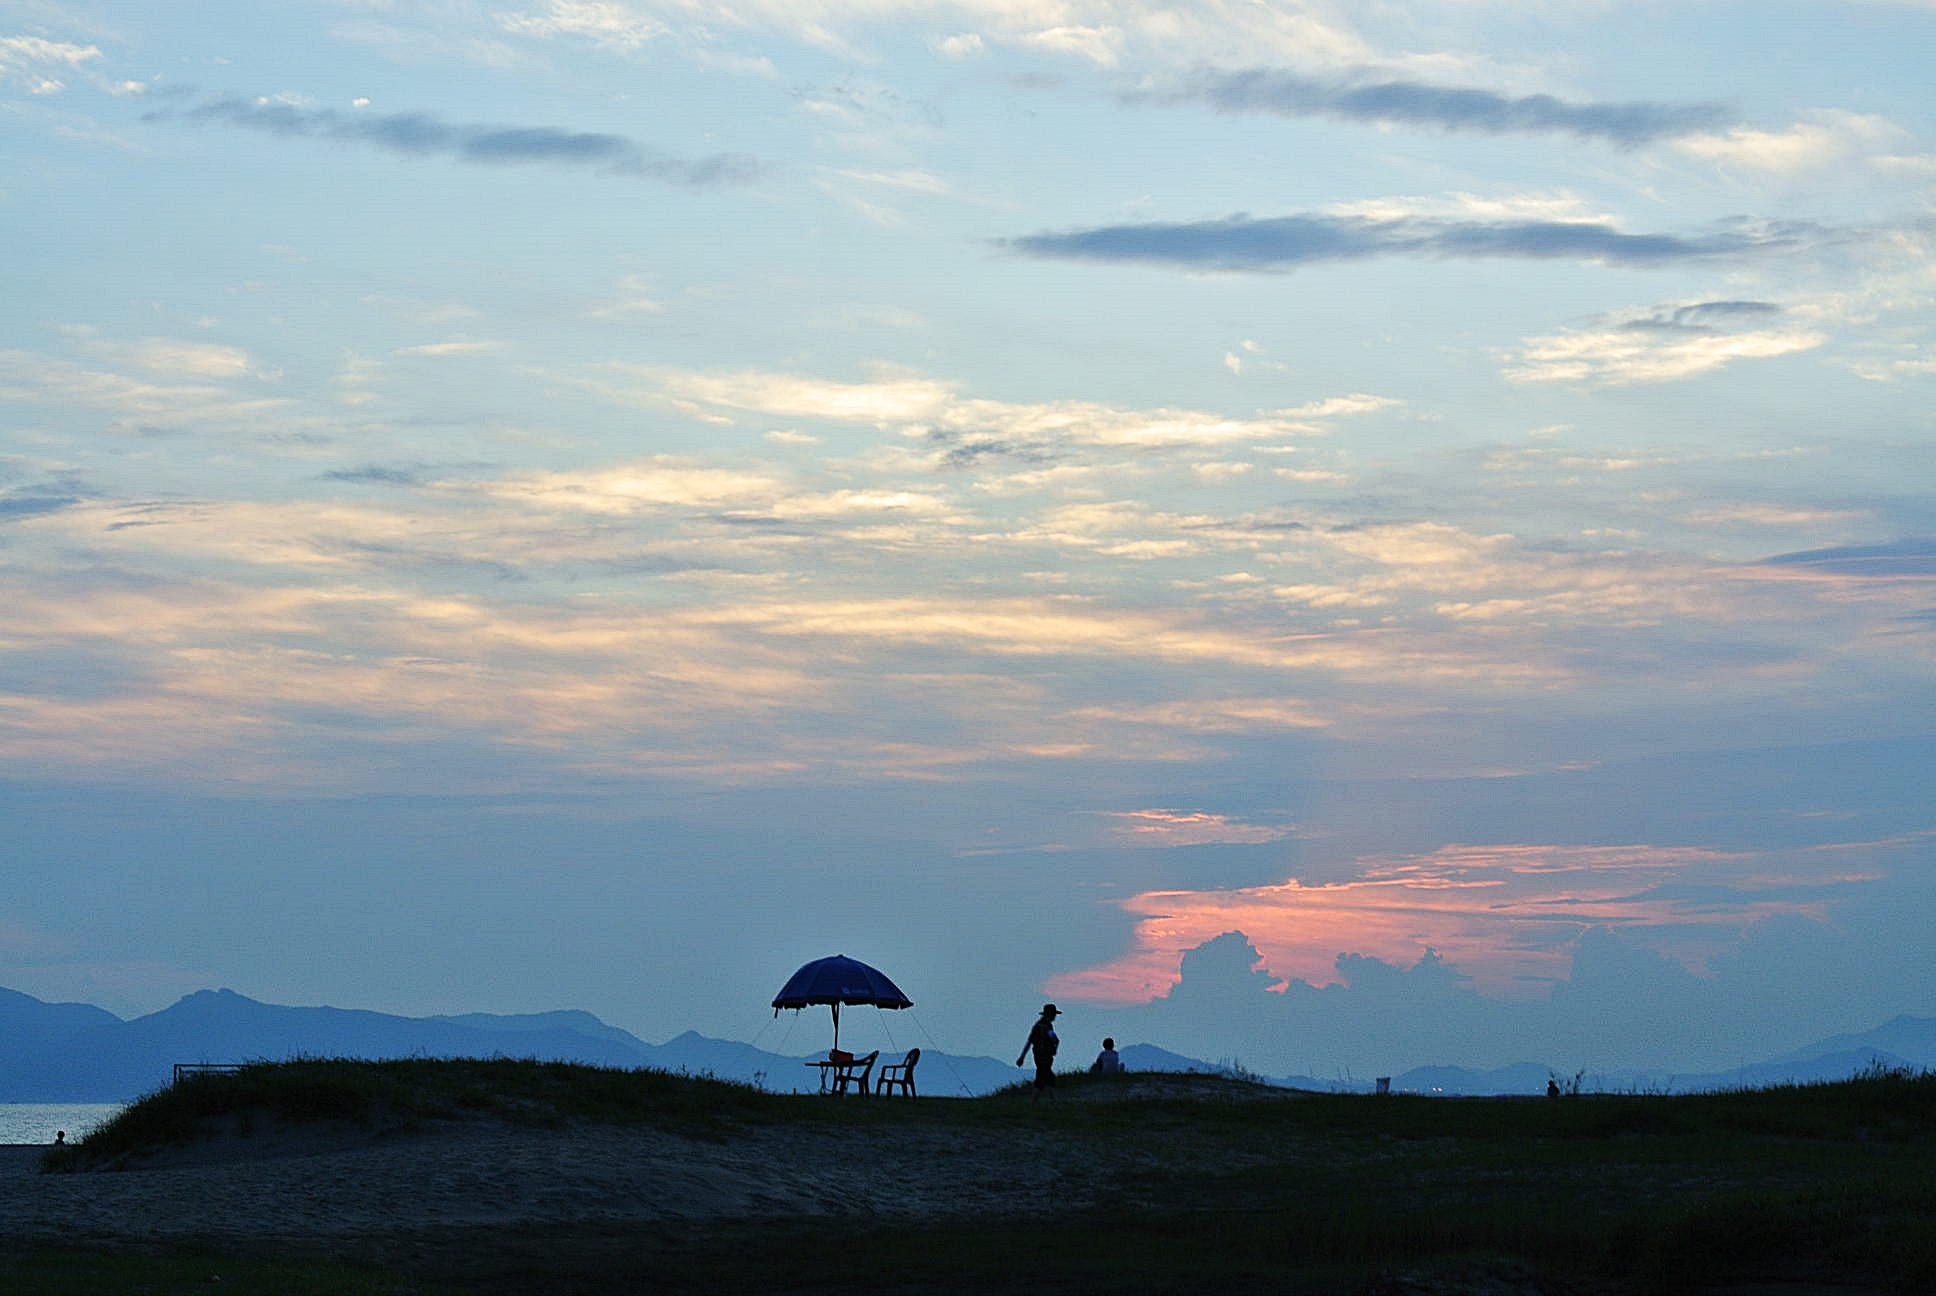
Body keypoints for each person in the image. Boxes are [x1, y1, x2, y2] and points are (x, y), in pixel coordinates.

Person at [1016, 1003, 1060, 1097]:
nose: (1055, 1016)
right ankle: (1049, 1099)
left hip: (1038, 1055)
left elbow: (1029, 1042)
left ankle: (1050, 1099)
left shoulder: (1037, 1026)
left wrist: (1022, 1057)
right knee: (1045, 1077)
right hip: (1046, 1056)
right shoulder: (1047, 1026)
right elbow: (1055, 1039)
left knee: (1044, 1076)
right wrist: (1054, 1048)